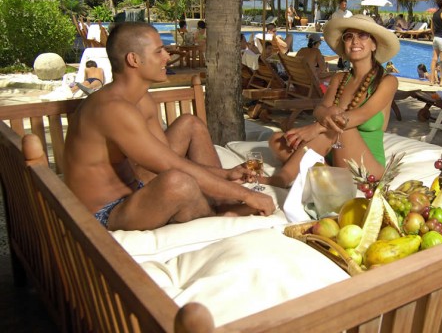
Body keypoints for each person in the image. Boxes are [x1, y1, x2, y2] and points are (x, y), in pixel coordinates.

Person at [63, 22, 275, 231]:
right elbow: (172, 167)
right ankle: (217, 214)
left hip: (134, 188)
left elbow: (167, 157)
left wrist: (226, 175)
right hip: (106, 212)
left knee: (189, 123)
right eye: (159, 52)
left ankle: (219, 200)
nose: (168, 56)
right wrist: (246, 195)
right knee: (178, 183)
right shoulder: (113, 109)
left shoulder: (140, 99)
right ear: (134, 59)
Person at [264, 15, 400, 188]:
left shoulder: (387, 81)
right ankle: (328, 177)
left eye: (363, 35)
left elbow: (361, 115)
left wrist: (317, 127)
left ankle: (282, 178)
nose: (355, 41)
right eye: (349, 37)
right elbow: (319, 109)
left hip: (365, 166)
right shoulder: (340, 78)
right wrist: (323, 117)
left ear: (374, 44)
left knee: (340, 126)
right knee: (277, 140)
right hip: (331, 155)